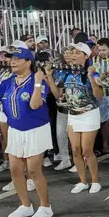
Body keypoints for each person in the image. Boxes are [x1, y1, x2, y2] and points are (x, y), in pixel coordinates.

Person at [0, 48, 53, 217]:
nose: (12, 62)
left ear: (28, 62)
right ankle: (25, 205)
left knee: (34, 170)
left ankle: (45, 207)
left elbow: (35, 105)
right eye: (11, 59)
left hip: (36, 129)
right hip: (15, 130)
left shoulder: (39, 81)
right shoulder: (7, 82)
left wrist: (36, 83)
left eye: (18, 59)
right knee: (15, 169)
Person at [45, 43, 103, 194]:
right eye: (72, 52)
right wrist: (49, 76)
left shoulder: (93, 72)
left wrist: (91, 77)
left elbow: (99, 96)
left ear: (86, 56)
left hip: (89, 114)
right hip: (73, 115)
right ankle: (82, 181)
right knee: (75, 150)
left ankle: (95, 180)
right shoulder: (66, 73)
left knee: (87, 151)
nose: (74, 55)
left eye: (78, 52)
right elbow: (57, 94)